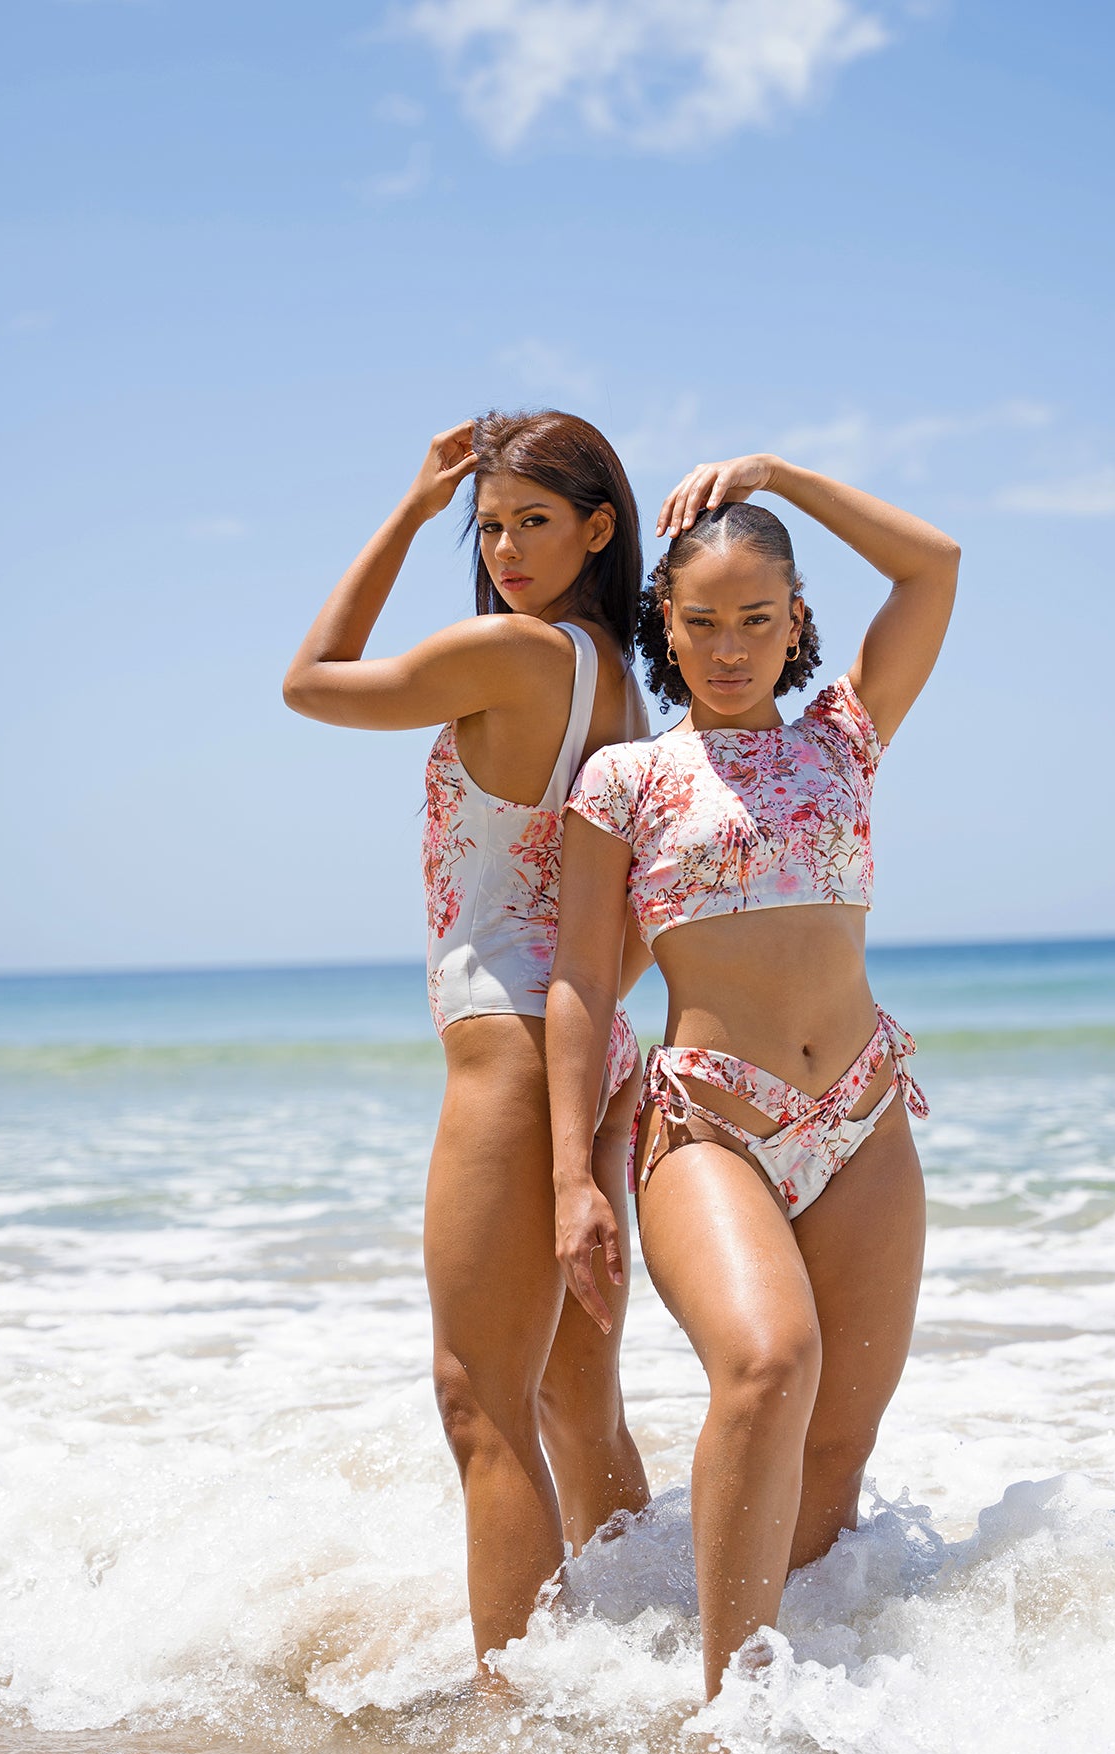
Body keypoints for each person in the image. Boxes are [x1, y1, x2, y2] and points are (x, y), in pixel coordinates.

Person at [543, 452, 958, 1695]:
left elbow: (932, 565)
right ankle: (733, 1713)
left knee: (836, 1446)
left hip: (864, 1120)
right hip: (709, 1127)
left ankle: (799, 1681)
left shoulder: (846, 736)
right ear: (664, 622)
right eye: (704, 620)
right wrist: (575, 1175)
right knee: (770, 1364)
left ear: (796, 623)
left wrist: (782, 474)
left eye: (759, 618)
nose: (731, 646)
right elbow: (579, 981)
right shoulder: (626, 780)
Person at [282, 412, 657, 1681]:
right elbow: (630, 911)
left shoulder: (511, 654)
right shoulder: (620, 677)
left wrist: (405, 507)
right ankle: (645, 1653)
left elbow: (312, 679)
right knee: (571, 1399)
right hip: (589, 1049)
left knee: (480, 1404)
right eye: (484, 526)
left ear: (598, 528)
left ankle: (518, 1719)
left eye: (531, 521)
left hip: (505, 1051)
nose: (501, 548)